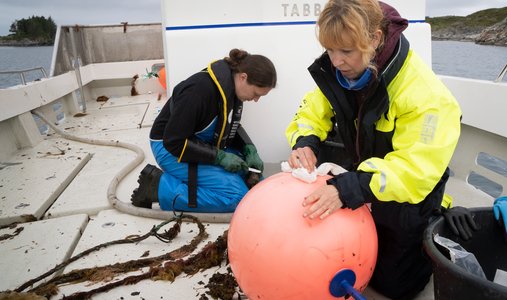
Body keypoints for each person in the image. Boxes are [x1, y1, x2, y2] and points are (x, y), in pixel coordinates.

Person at [284, 0, 461, 298]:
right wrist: (305, 142)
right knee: (344, 256)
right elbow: (310, 111)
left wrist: (348, 188)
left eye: (346, 52)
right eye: (329, 50)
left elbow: (415, 170)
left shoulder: (426, 96)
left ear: (375, 39)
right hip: (368, 180)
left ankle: (437, 221)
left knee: (393, 285)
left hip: (410, 195)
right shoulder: (342, 70)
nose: (336, 61)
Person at [131, 48, 277, 213]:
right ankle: (158, 187)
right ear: (243, 77)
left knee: (257, 184)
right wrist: (219, 157)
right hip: (169, 148)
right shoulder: (198, 91)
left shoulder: (233, 90)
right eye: (256, 94)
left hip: (198, 142)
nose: (256, 100)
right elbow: (174, 142)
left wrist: (249, 148)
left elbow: (230, 124)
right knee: (237, 197)